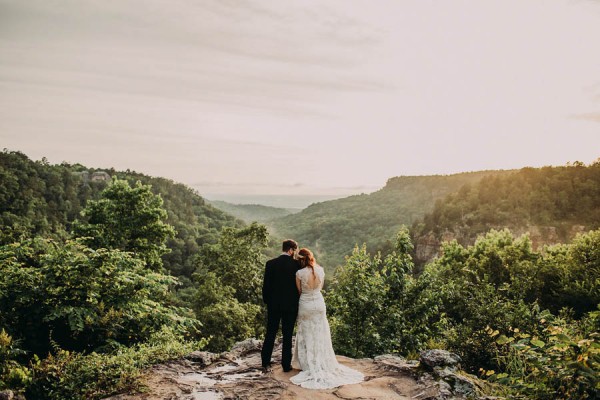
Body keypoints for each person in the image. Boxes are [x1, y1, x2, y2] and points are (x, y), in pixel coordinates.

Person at [290, 248, 364, 389]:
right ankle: (322, 360)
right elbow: (320, 288)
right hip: (319, 303)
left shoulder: (299, 273)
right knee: (320, 331)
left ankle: (306, 363)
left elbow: (299, 291)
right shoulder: (321, 270)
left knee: (306, 332)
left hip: (305, 303)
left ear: (300, 260)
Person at [261, 239, 301, 373]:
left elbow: (265, 287)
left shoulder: (270, 264)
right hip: (290, 306)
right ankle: (286, 365)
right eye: (294, 251)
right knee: (288, 335)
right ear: (291, 250)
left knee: (270, 333)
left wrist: (268, 302)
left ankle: (265, 362)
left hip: (274, 305)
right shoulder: (297, 265)